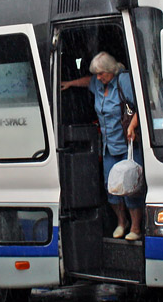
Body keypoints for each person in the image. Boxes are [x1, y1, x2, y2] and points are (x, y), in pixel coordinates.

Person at [61, 51, 145, 240]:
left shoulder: (123, 82)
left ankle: (136, 228)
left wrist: (132, 125)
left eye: (101, 73)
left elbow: (142, 106)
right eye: (96, 74)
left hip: (127, 145)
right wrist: (70, 83)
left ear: (110, 70)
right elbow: (87, 81)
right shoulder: (98, 83)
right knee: (112, 188)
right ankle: (121, 223)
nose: (98, 77)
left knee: (131, 187)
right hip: (108, 147)